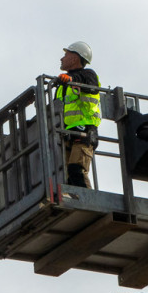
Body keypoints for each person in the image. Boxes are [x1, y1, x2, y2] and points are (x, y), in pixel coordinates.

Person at [55, 41, 102, 188]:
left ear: (75, 58)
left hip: (85, 133)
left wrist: (71, 80)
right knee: (68, 176)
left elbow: (89, 84)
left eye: (65, 55)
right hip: (67, 135)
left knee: (77, 170)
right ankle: (75, 201)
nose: (62, 58)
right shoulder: (62, 85)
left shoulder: (88, 75)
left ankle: (91, 203)